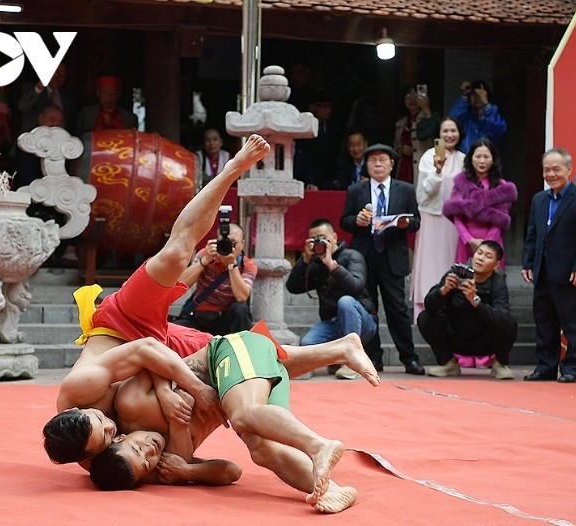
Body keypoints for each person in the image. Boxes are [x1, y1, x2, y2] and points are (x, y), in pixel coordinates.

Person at [41, 135, 271, 465]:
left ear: (79, 410)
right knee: (241, 353)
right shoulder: (89, 453)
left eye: (102, 423)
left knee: (178, 252)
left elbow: (144, 349)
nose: (111, 429)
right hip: (155, 353)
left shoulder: (81, 386)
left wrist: (193, 389)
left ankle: (231, 168)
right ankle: (339, 350)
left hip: (124, 322)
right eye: (107, 437)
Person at [89, 331, 375, 513]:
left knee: (243, 414)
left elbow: (151, 354)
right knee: (261, 450)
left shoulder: (130, 405)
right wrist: (187, 470)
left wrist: (165, 392)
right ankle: (333, 490)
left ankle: (319, 446)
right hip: (237, 385)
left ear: (119, 438)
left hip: (224, 353)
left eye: (138, 448)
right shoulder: (170, 461)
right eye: (147, 463)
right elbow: (231, 472)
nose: (150, 451)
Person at [340, 143, 425, 375]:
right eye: (373, 160)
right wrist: (356, 221)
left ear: (392, 164)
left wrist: (405, 223)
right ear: (366, 166)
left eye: (383, 160)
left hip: (393, 255)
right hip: (364, 257)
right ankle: (373, 358)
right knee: (368, 309)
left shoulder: (405, 190)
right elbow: (344, 221)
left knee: (397, 309)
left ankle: (409, 358)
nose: (378, 164)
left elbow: (416, 221)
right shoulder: (356, 191)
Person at [521, 148, 576, 383]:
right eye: (546, 169)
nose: (551, 174)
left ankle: (574, 367)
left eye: (556, 169)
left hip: (570, 272)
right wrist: (528, 262)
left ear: (568, 170)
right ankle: (545, 366)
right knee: (544, 322)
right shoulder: (539, 199)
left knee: (573, 323)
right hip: (542, 271)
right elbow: (532, 234)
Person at [286, 218, 377, 380]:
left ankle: (351, 362)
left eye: (322, 238)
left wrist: (331, 264)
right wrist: (304, 260)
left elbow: (356, 286)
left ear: (334, 237)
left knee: (346, 301)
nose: (319, 243)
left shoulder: (352, 256)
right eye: (314, 240)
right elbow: (293, 287)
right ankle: (334, 358)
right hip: (332, 323)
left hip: (362, 321)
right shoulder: (315, 262)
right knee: (308, 344)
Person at [421, 241, 517, 379]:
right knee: (425, 317)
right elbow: (429, 305)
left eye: (488, 256)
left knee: (510, 323)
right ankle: (448, 364)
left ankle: (500, 364)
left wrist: (475, 300)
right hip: (455, 335)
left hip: (485, 341)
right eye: (479, 253)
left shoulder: (498, 283)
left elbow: (502, 319)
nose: (481, 258)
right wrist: (444, 290)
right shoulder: (456, 273)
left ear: (496, 265)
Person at [410, 117, 464, 321]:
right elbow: (424, 192)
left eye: (453, 130)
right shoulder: (429, 156)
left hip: (455, 220)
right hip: (432, 216)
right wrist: (438, 170)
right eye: (445, 131)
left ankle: (451, 305)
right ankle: (425, 307)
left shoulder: (464, 159)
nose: (449, 135)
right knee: (430, 263)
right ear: (439, 135)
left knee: (450, 262)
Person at [441, 138, 517, 267]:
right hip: (466, 243)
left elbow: (501, 221)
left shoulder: (502, 187)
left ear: (492, 159)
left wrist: (486, 245)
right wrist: (469, 240)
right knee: (463, 282)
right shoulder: (461, 182)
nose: (482, 161)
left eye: (486, 156)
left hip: (493, 243)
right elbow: (457, 216)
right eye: (478, 156)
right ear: (471, 158)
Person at [175, 222, 256, 336]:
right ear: (217, 241)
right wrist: (204, 261)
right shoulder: (206, 254)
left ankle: (242, 348)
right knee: (175, 330)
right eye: (225, 242)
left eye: (234, 243)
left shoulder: (247, 265)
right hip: (200, 316)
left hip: (226, 320)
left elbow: (242, 297)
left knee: (240, 309)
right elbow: (181, 284)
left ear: (242, 244)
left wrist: (232, 265)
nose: (229, 246)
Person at [13, 104, 65, 190]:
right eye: (52, 119)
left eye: (60, 122)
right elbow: (25, 174)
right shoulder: (27, 140)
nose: (55, 124)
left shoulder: (64, 144)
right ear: (40, 118)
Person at [393, 85, 438, 184]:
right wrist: (400, 149)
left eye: (415, 95)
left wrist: (426, 109)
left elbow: (431, 135)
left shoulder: (430, 118)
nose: (412, 99)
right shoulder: (401, 122)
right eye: (408, 96)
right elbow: (395, 146)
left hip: (423, 168)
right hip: (404, 169)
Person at [448, 80, 507, 154]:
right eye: (473, 94)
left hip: (486, 162)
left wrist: (486, 105)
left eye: (480, 94)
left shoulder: (493, 116)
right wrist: (464, 95)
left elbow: (498, 130)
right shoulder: (465, 119)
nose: (477, 97)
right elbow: (451, 121)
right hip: (465, 162)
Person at [17, 63, 72, 134]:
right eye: (56, 72)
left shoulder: (67, 97)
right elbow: (22, 106)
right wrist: (38, 89)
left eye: (63, 74)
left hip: (58, 141)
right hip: (31, 139)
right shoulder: (32, 89)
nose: (59, 76)